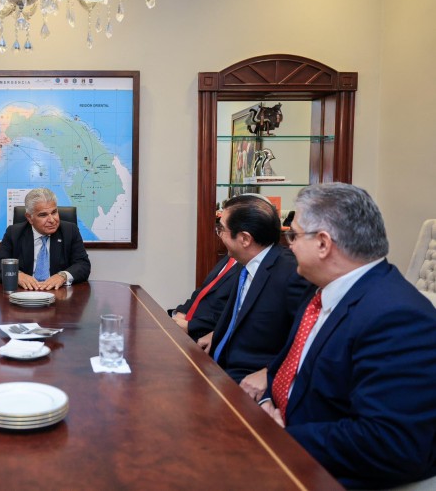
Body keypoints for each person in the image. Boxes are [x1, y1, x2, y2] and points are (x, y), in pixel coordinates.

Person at [259, 183, 436, 489]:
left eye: (294, 235)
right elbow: (287, 370)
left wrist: (281, 439)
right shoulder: (322, 291)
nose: (289, 245)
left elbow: (389, 442)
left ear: (324, 244)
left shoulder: (397, 317)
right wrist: (264, 402)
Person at [207, 194, 311, 400]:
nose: (219, 235)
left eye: (222, 229)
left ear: (245, 238)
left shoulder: (291, 273)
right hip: (217, 367)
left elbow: (305, 338)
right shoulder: (246, 263)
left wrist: (268, 373)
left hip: (247, 379)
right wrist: (216, 334)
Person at [0, 188, 91, 290]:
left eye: (54, 212)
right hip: (25, 294)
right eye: (43, 215)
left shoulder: (70, 231)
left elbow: (83, 265)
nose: (52, 220)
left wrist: (62, 276)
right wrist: (17, 275)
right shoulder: (14, 233)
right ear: (29, 218)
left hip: (58, 294)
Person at [170, 253, 241, 341]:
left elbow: (230, 314)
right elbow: (204, 290)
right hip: (186, 324)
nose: (220, 238)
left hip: (202, 335)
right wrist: (182, 312)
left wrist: (190, 326)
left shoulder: (247, 268)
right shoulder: (229, 257)